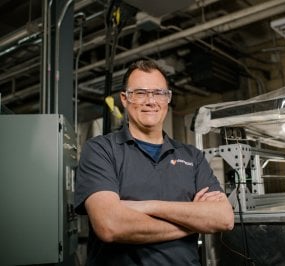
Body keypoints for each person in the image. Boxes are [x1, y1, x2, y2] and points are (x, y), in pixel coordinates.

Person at [74, 59, 234, 265]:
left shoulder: (192, 156)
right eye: (140, 93)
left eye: (159, 93)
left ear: (168, 98)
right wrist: (194, 221)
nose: (151, 101)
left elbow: (224, 218)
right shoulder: (101, 150)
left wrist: (146, 206)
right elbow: (110, 225)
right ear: (124, 99)